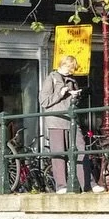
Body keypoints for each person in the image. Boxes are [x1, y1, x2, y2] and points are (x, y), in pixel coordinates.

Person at [39, 56, 85, 193]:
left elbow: (72, 102)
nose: (71, 72)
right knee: (59, 154)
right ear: (63, 65)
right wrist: (60, 93)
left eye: (73, 70)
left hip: (71, 119)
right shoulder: (51, 78)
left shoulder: (72, 80)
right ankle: (61, 186)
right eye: (70, 68)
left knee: (81, 149)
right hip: (56, 120)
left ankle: (87, 184)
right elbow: (44, 101)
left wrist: (75, 96)